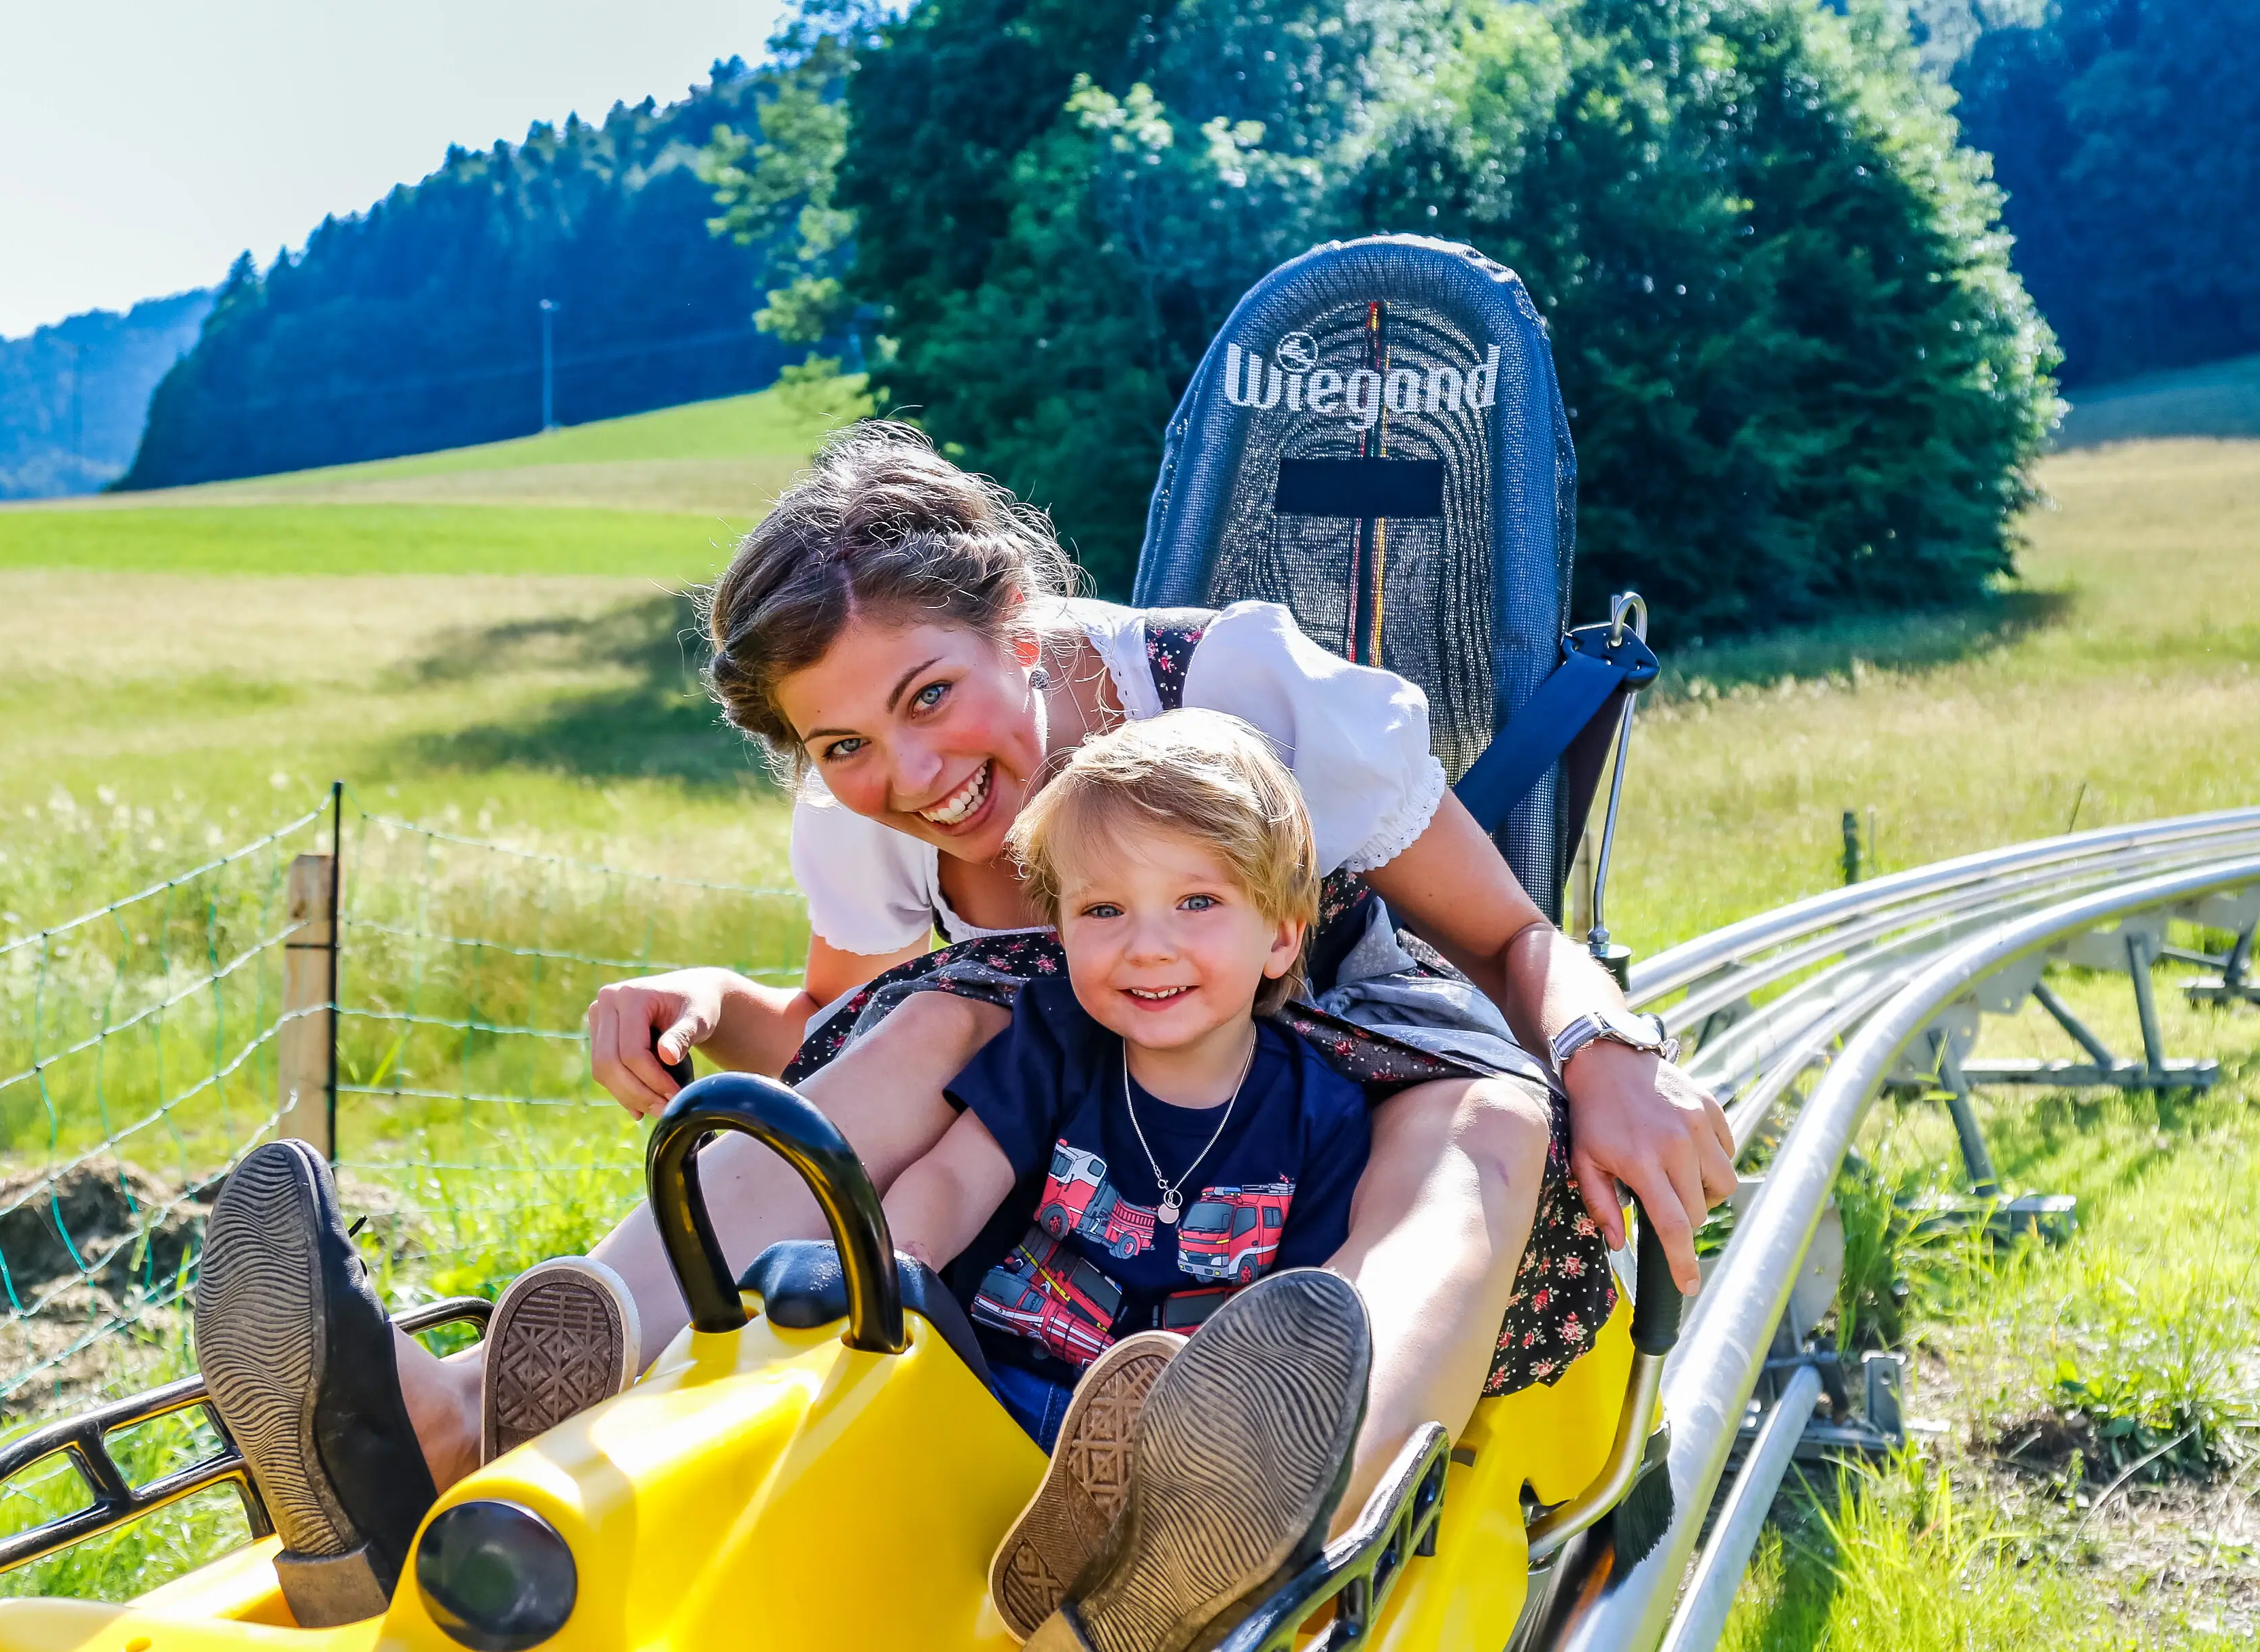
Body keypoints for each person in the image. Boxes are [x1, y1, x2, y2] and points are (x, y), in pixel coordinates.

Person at [192, 421, 1736, 1633]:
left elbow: (1513, 936)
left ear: (1019, 615)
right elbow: (817, 1032)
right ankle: (464, 1426)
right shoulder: (871, 830)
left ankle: (1283, 1495)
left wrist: (1606, 1056)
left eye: (931, 697)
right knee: (912, 1039)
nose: (910, 774)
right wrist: (710, 1010)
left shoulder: (1249, 684)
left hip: (1328, 1022)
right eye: (845, 742)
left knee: (1480, 1131)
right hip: (1076, 1097)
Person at [885, 710, 1373, 1643]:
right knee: (893, 1399)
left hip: (1169, 1443)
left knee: (1195, 1473)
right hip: (992, 1383)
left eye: (1197, 903)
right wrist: (895, 1263)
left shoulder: (1321, 1113)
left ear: (1280, 935)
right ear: (1061, 927)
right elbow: (956, 1175)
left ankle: (1112, 1568)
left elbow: (1297, 1319)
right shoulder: (1060, 1039)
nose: (1147, 945)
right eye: (1104, 910)